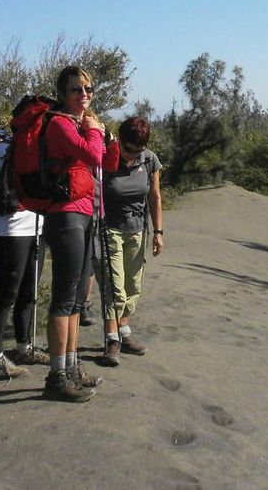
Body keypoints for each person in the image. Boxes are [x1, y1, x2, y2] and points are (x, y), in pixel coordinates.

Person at [39, 65, 106, 402]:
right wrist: (94, 130)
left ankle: (72, 366)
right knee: (64, 299)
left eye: (88, 89)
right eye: (76, 90)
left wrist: (94, 130)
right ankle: (56, 376)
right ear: (62, 94)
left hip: (84, 213)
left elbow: (104, 160)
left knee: (78, 297)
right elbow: (94, 154)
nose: (84, 95)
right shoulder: (58, 124)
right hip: (64, 216)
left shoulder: (78, 125)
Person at [100, 116, 164, 366]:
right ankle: (111, 339)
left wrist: (159, 232)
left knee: (132, 286)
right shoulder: (106, 158)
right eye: (128, 150)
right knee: (115, 287)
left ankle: (124, 332)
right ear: (120, 142)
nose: (132, 156)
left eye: (138, 151)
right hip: (109, 229)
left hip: (137, 229)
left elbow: (155, 196)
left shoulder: (149, 159)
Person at [0, 134, 47, 380]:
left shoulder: (34, 147)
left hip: (36, 226)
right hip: (11, 228)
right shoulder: (4, 148)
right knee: (7, 294)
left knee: (29, 291)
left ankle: (24, 347)